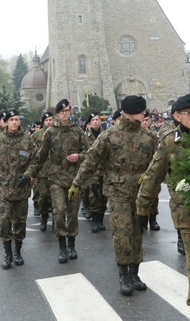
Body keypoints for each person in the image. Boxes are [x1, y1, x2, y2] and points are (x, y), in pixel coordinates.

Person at [136, 93, 190, 321]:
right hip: (186, 213)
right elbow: (153, 177)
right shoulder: (168, 141)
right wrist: (142, 210)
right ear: (176, 115)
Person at [69, 95, 158, 296]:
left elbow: (159, 164)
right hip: (118, 193)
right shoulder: (110, 136)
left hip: (141, 194)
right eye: (141, 111)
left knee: (137, 233)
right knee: (122, 233)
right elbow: (91, 161)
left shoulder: (150, 137)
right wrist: (77, 183)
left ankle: (135, 272)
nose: (144, 114)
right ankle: (124, 274)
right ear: (130, 112)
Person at [0, 110, 38, 270]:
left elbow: (36, 160)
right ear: (6, 122)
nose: (15, 122)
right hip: (2, 188)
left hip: (20, 188)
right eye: (12, 120)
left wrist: (28, 174)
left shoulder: (27, 140)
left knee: (19, 222)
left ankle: (17, 252)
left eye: (17, 119)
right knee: (4, 221)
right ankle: (7, 253)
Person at [34, 99, 89, 263]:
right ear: (57, 114)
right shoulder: (50, 132)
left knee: (72, 214)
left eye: (67, 110)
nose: (65, 113)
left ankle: (71, 244)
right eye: (62, 111)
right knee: (59, 211)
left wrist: (78, 157)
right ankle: (62, 246)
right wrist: (31, 174)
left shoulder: (78, 131)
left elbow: (89, 153)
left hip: (74, 179)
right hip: (56, 177)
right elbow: (41, 156)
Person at [31, 111, 55, 232]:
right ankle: (44, 216)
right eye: (46, 120)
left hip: (57, 171)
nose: (49, 122)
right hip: (43, 171)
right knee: (44, 196)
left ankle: (57, 220)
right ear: (43, 122)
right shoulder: (37, 135)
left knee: (56, 197)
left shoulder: (59, 132)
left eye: (50, 120)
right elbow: (32, 152)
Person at [85, 112, 107, 233]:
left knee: (103, 196)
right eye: (93, 120)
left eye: (97, 120)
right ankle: (95, 221)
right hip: (91, 170)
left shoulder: (106, 135)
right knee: (93, 196)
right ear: (89, 123)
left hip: (104, 169)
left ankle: (101, 220)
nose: (95, 122)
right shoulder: (85, 137)